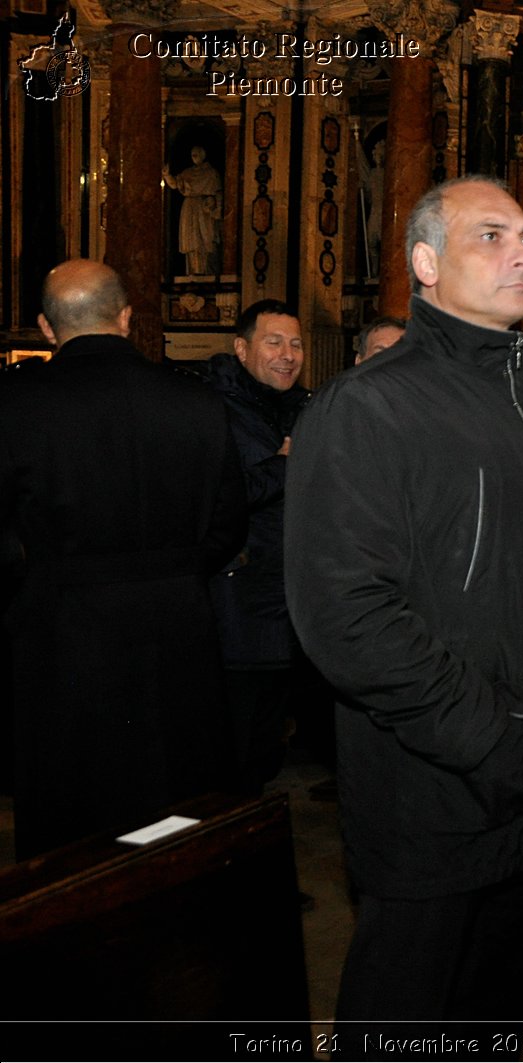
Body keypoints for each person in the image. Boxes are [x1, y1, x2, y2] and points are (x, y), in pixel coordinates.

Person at [285, 175, 523, 1028]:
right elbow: (347, 615)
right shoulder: (369, 405)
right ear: (426, 262)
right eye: (493, 236)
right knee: (406, 1020)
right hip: (437, 790)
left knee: (489, 1020)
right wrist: (490, 737)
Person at [0, 260, 244, 859]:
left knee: (71, 809)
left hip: (62, 636)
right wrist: (175, 574)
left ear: (46, 329)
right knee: (169, 801)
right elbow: (229, 524)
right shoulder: (198, 404)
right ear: (129, 318)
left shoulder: (13, 404)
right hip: (179, 631)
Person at [201, 299, 310, 793]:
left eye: (296, 343)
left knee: (267, 740)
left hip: (291, 599)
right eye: (274, 342)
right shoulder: (212, 410)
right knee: (236, 748)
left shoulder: (304, 406)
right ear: (242, 349)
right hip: (239, 599)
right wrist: (286, 463)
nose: (287, 354)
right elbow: (219, 496)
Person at [163, 145, 223, 276]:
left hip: (204, 209)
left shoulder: (211, 173)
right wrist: (167, 175)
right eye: (192, 154)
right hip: (189, 208)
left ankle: (209, 274)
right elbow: (174, 184)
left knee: (207, 240)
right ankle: (193, 273)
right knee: (192, 242)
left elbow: (218, 193)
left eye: (196, 154)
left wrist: (214, 205)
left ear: (203, 155)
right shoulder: (187, 173)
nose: (194, 156)